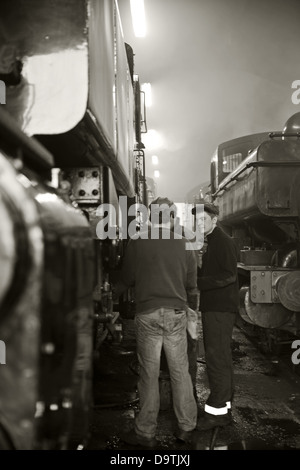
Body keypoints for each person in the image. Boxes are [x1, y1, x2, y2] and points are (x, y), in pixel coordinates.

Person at [115, 197, 198, 447]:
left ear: (150, 216)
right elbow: (192, 284)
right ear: (171, 217)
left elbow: (126, 278)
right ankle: (186, 427)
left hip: (148, 314)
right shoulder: (185, 243)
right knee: (180, 371)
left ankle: (145, 432)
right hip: (175, 313)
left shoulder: (137, 241)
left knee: (148, 374)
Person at [192, 201, 239, 430]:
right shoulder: (212, 241)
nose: (199, 223)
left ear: (214, 220)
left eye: (203, 219)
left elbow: (228, 275)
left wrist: (198, 282)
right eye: (196, 220)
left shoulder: (223, 242)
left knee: (216, 358)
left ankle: (216, 414)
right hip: (216, 308)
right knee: (222, 358)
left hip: (219, 309)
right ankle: (225, 406)